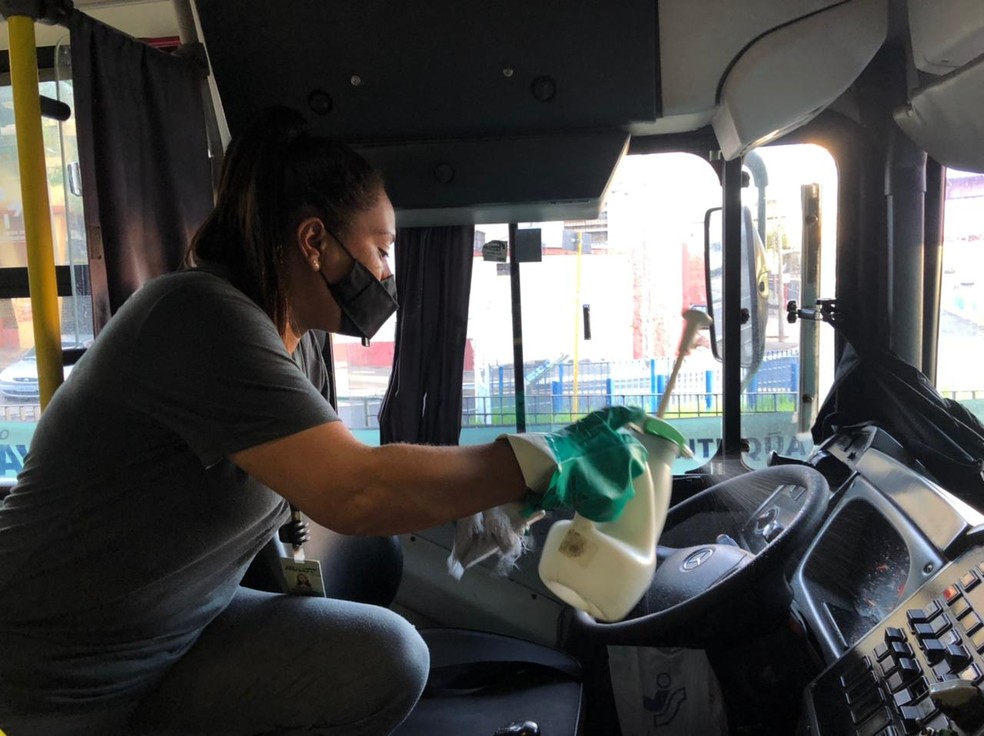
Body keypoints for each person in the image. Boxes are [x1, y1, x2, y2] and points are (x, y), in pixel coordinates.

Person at [0, 107, 644, 736]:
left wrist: (482, 496)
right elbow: (353, 488)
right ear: (315, 242)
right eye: (382, 248)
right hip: (56, 672)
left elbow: (326, 470)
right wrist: (536, 459)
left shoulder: (297, 339)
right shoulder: (195, 316)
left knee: (388, 655)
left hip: (180, 633)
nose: (389, 272)